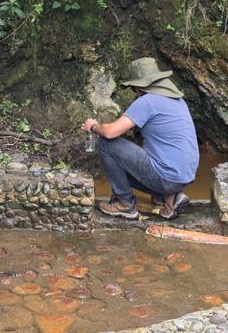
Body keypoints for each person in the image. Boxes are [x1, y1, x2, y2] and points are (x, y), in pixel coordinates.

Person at [83, 57, 199, 220]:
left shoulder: (148, 101)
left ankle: (125, 204)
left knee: (105, 144)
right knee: (122, 172)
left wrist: (93, 127)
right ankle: (170, 198)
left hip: (166, 176)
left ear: (139, 85)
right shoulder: (177, 100)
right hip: (183, 176)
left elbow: (111, 132)